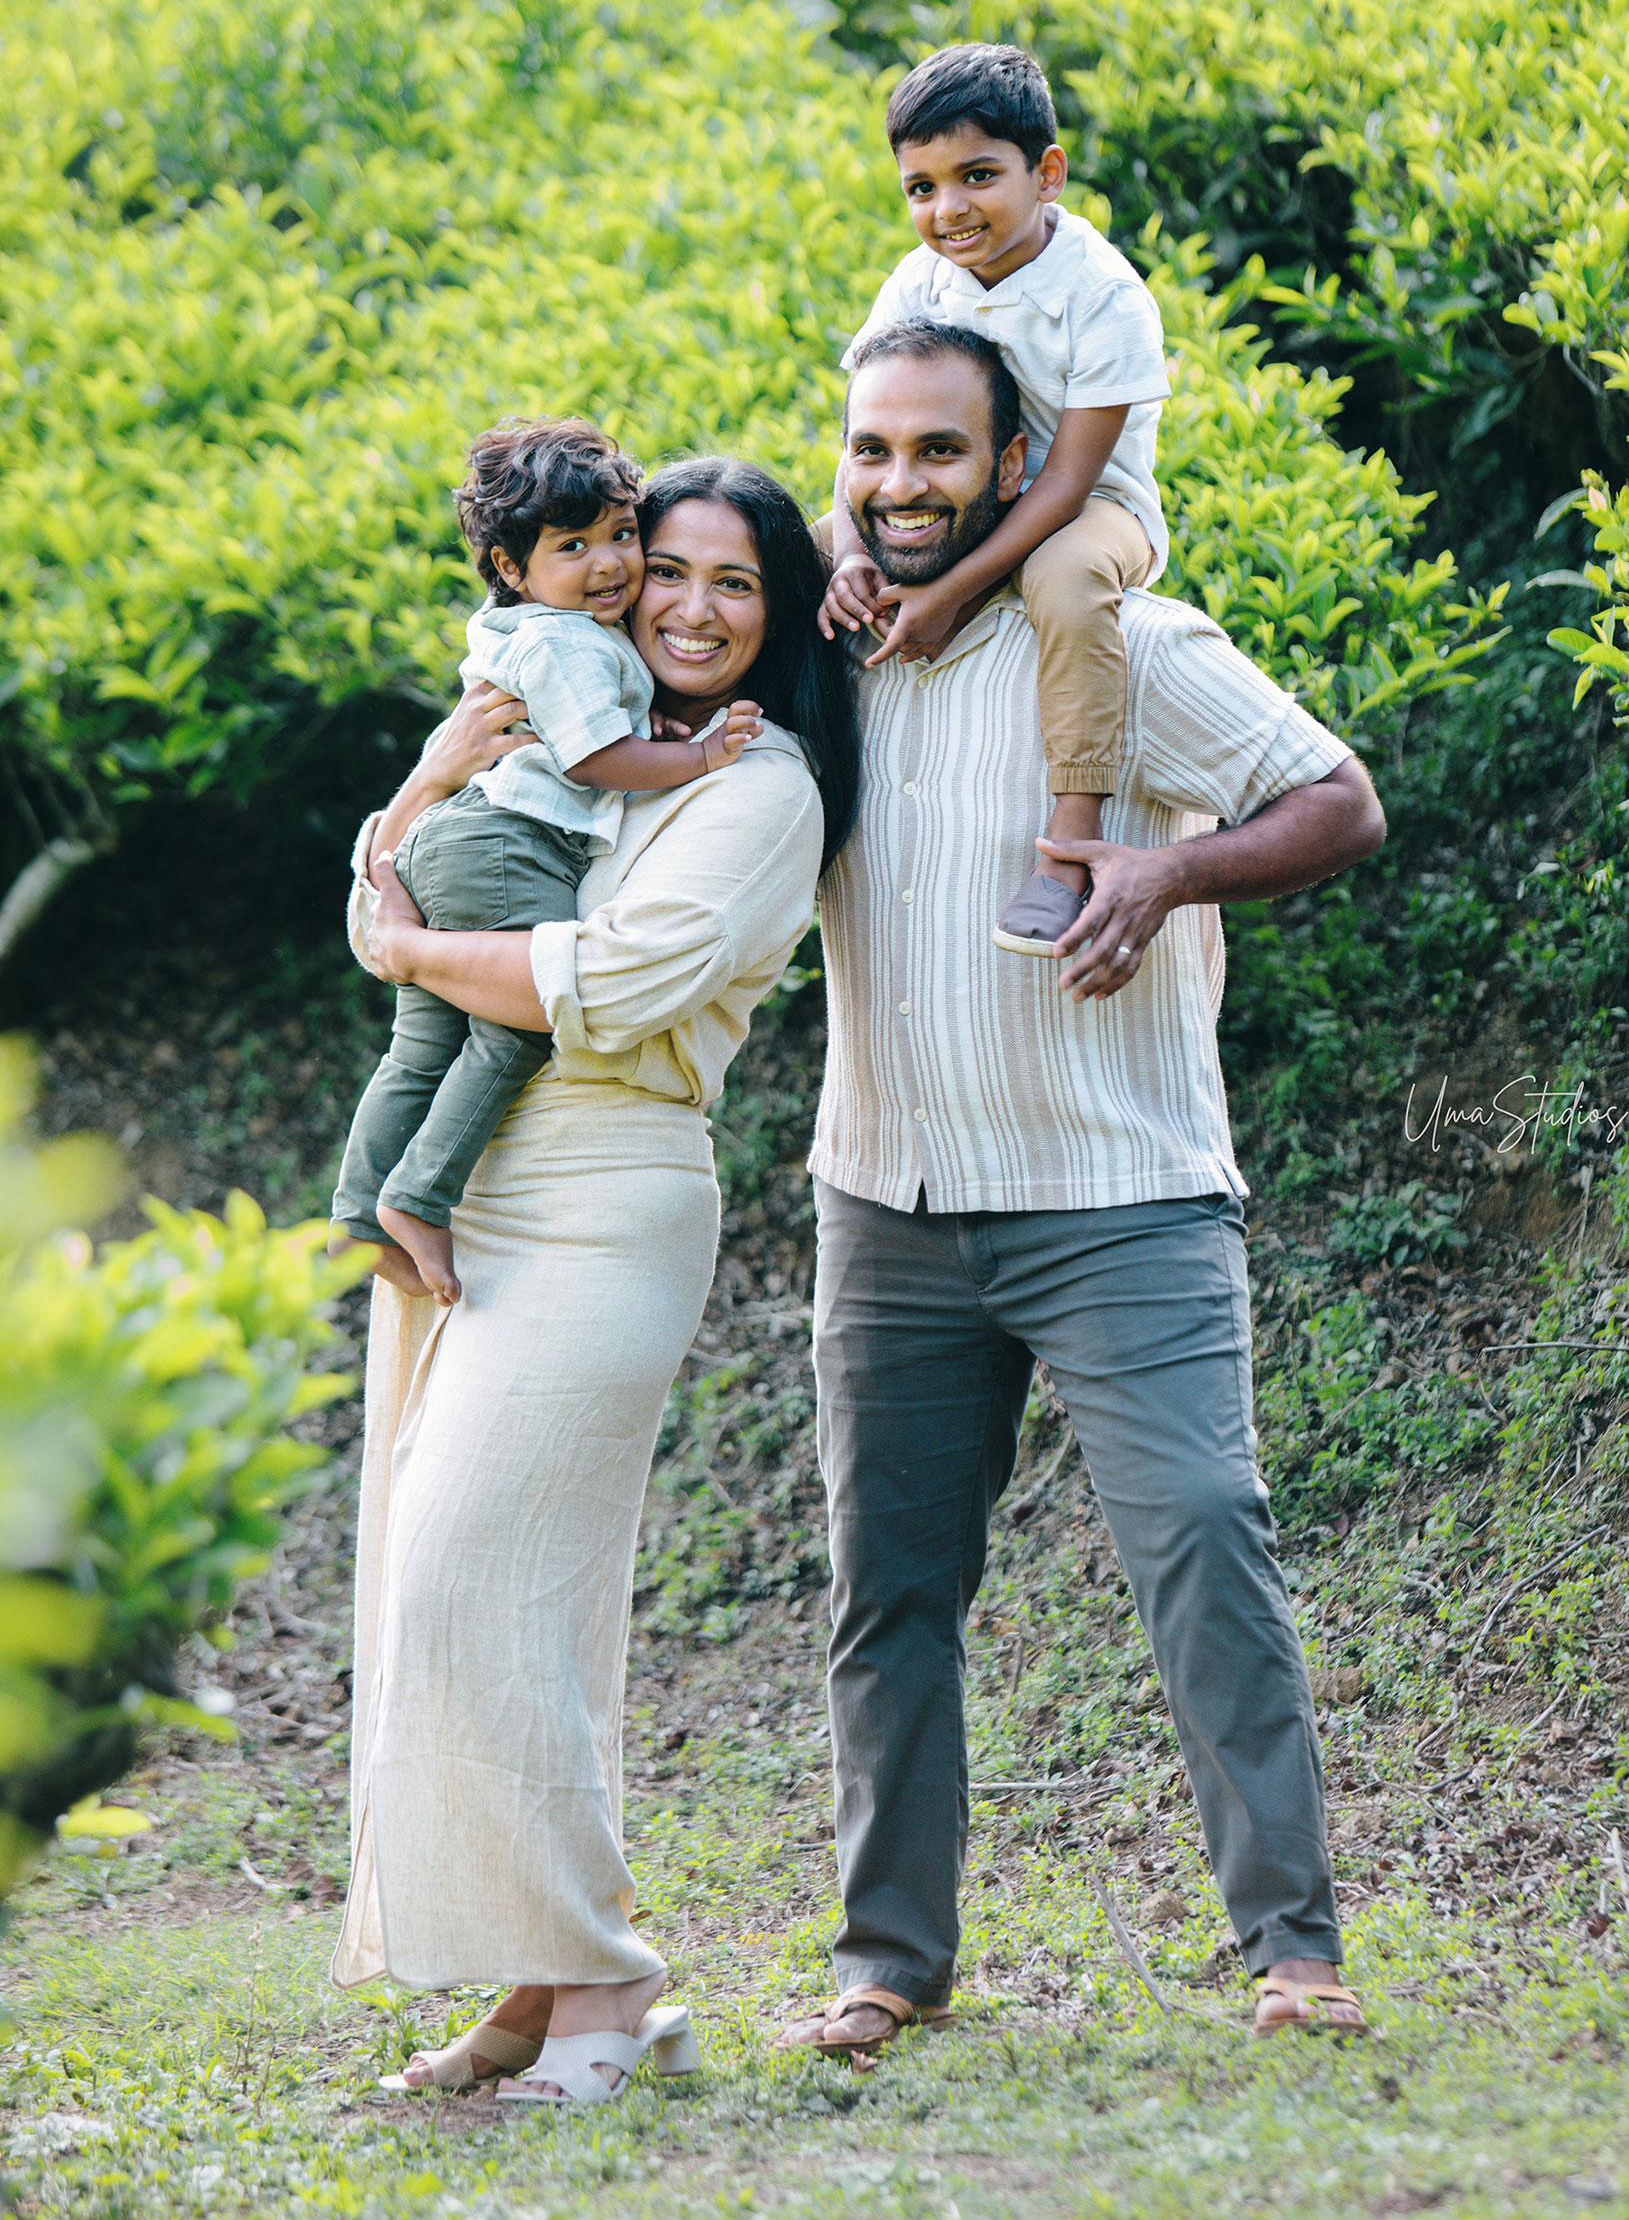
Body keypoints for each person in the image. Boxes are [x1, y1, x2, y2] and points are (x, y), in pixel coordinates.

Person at [779, 319, 1387, 2058]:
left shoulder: (1120, 641)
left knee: (1204, 1532)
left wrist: (1165, 867)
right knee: (885, 1584)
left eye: (939, 454)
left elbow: (1336, 798)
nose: (901, 486)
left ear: (1016, 463)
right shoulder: (828, 658)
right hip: (883, 1199)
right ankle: (885, 1958)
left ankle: (1294, 1945)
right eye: (873, 451)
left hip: (1119, 1193)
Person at [331, 458, 859, 2108]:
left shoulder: (759, 785)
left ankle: (614, 1979)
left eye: (735, 584)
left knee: (466, 1571)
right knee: (491, 1601)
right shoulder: (592, 719)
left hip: (610, 1191)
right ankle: (535, 1979)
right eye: (668, 570)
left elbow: (603, 977)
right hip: (475, 1182)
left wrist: (416, 945)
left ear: (779, 614)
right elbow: (379, 890)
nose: (690, 605)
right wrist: (420, 790)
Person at [333, 418, 761, 1307]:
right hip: (506, 844)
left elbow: (600, 731)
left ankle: (359, 1209)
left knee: (421, 1047)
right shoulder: (565, 640)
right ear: (512, 569)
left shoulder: (544, 629)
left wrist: (657, 732)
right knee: (521, 1016)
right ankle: (417, 1195)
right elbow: (594, 760)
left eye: (622, 534)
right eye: (575, 546)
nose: (611, 563)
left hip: (454, 839)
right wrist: (701, 756)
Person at [819, 42, 1172, 956]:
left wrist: (950, 591)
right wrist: (853, 550)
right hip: (953, 490)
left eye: (977, 176)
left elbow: (1064, 483)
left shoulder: (1103, 296)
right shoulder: (918, 279)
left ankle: (1071, 841)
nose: (949, 210)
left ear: (1046, 172)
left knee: (1063, 578)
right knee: (790, 545)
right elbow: (862, 430)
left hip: (1090, 505)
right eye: (922, 187)